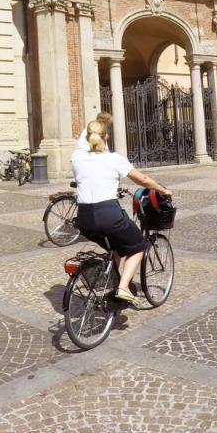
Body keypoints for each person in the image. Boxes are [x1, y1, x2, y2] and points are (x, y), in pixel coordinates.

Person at [72, 119, 171, 305]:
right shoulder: (113, 159)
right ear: (107, 137)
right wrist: (162, 190)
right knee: (138, 245)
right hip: (108, 214)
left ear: (87, 137)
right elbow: (142, 179)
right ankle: (124, 287)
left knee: (117, 248)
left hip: (84, 219)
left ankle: (119, 281)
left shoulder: (77, 158)